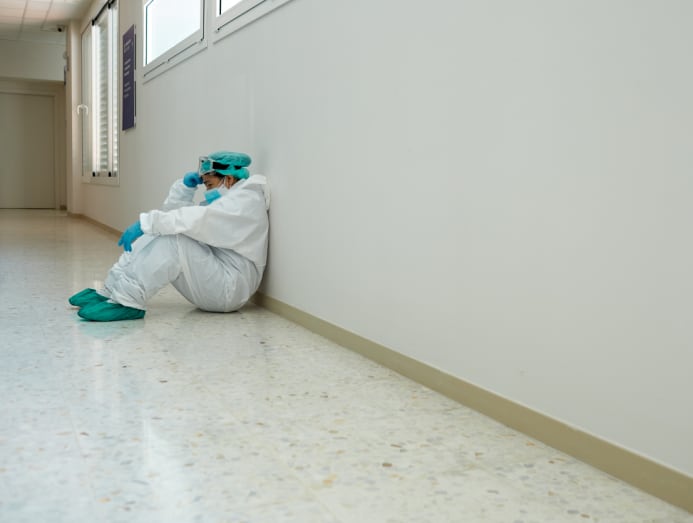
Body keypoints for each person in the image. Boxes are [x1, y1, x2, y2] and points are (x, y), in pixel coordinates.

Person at [69, 151, 270, 321]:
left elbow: (195, 219)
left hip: (230, 289)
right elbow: (175, 217)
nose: (206, 188)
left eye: (209, 184)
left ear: (229, 179)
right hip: (218, 278)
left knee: (173, 236)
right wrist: (184, 189)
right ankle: (111, 290)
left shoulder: (245, 202)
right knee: (160, 230)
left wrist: (147, 222)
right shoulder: (230, 201)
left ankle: (127, 301)